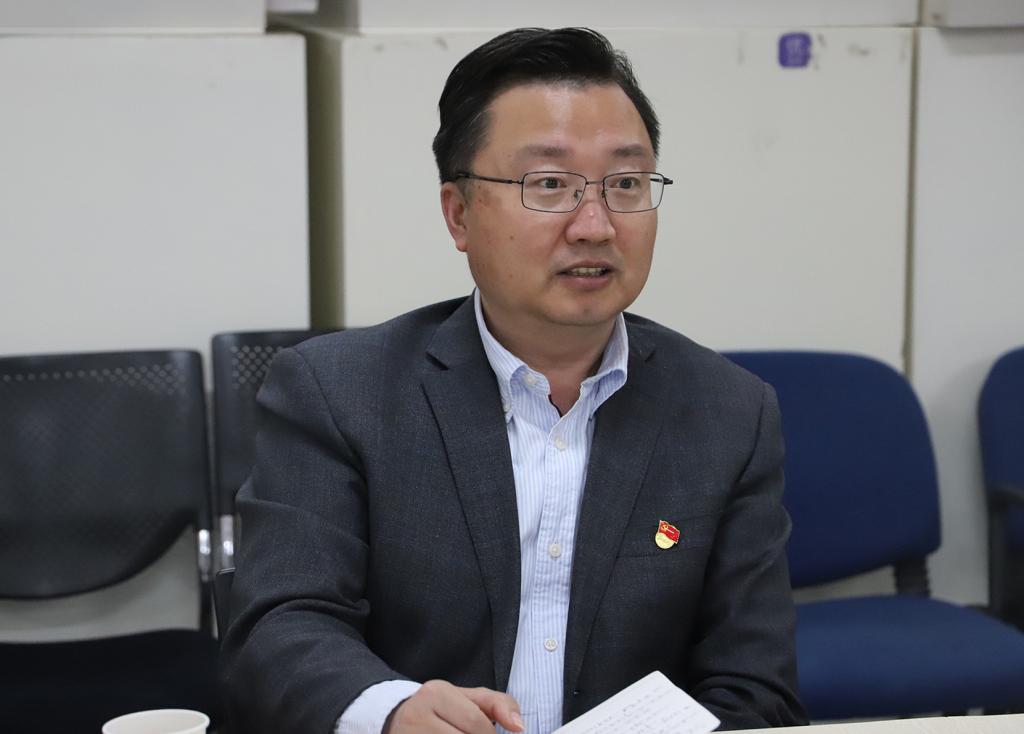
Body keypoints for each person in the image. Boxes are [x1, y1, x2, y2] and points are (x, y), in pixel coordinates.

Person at [221, 27, 806, 734]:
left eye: (625, 184)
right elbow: (280, 627)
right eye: (549, 184)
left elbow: (754, 686)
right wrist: (391, 710)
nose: (594, 225)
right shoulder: (338, 392)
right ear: (459, 214)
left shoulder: (729, 412)